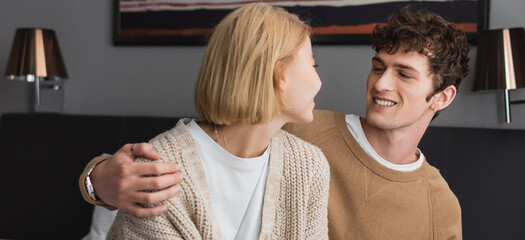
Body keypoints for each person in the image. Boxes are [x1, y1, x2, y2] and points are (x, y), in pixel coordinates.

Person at [80, 6, 469, 239]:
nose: (380, 83)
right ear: (279, 77)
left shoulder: (440, 206)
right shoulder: (297, 127)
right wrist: (96, 180)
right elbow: (204, 144)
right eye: (378, 67)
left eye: (404, 74)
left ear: (443, 96)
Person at [93, 3, 330, 239]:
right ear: (281, 76)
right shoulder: (159, 171)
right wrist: (94, 179)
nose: (319, 80)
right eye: (312, 64)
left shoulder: (308, 166)